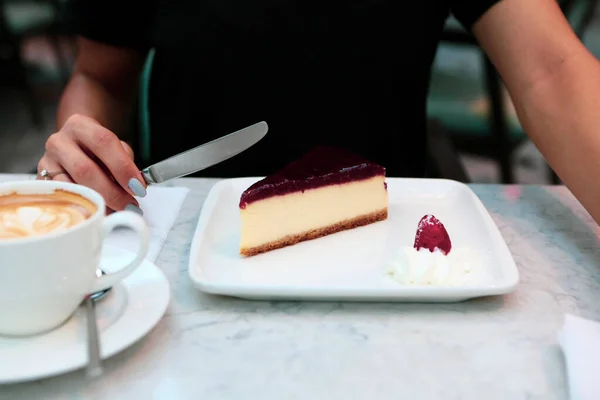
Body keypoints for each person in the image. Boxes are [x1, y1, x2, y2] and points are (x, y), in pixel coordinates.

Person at [37, 0, 600, 224]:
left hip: (383, 231)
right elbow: (99, 77)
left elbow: (550, 71)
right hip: (184, 234)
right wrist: (80, 161)